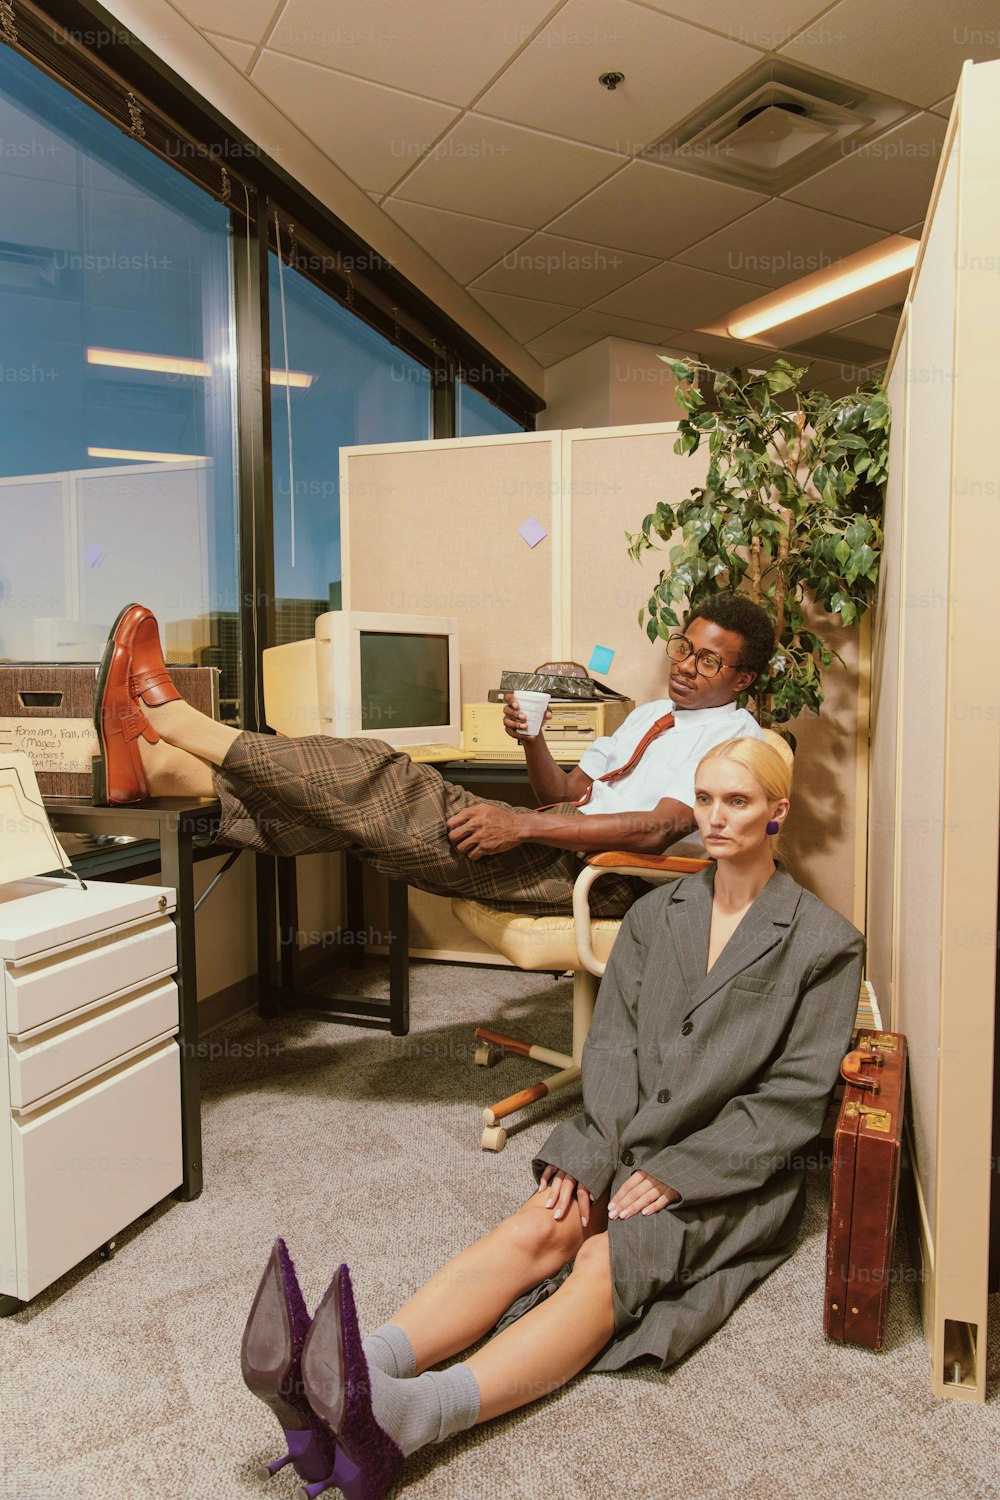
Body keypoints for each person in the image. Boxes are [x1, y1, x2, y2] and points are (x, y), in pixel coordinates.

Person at [239, 736, 865, 1498]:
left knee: (609, 1258)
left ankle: (414, 1417)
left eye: (737, 801)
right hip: (624, 1135)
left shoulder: (825, 942)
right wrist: (598, 1147)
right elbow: (611, 1049)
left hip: (727, 1172)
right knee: (543, 1219)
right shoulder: (653, 915)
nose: (716, 817)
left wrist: (678, 1173)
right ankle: (351, 1375)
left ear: (778, 812)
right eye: (705, 799)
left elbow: (792, 1102)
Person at [93, 593, 772, 915]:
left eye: (708, 662)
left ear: (741, 680)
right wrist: (531, 738)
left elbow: (659, 828)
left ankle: (174, 726)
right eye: (683, 647)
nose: (684, 666)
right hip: (563, 838)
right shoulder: (654, 714)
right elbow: (567, 790)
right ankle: (169, 767)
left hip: (605, 875)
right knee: (348, 812)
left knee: (376, 776)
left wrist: (523, 824)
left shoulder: (735, 741)